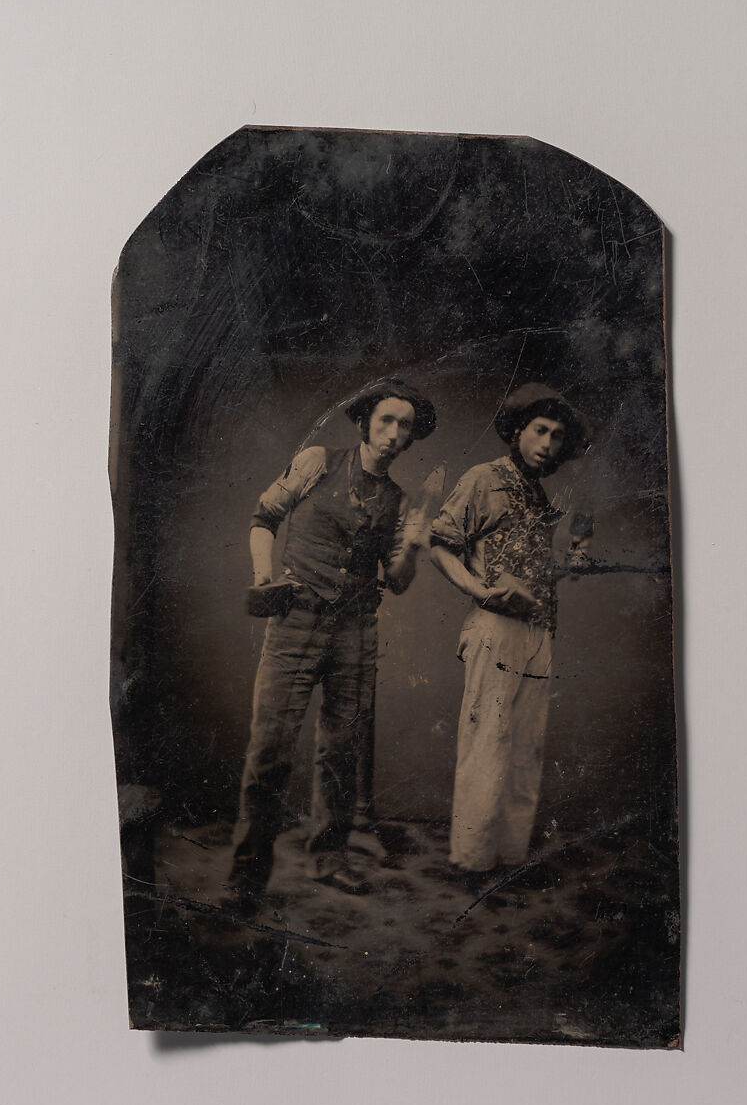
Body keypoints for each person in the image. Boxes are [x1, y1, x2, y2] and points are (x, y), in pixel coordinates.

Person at [225, 377, 438, 910]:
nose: (393, 434)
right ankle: (247, 874)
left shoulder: (398, 499)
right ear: (365, 422)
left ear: (411, 439)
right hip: (296, 618)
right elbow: (263, 518)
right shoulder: (318, 460)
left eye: (404, 426)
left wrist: (413, 546)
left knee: (342, 751)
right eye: (385, 420)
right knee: (270, 749)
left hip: (356, 631)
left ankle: (330, 858)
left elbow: (398, 580)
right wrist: (262, 577)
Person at [429, 383, 593, 891]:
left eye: (557, 436)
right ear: (517, 431)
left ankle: (509, 858)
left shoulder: (542, 495)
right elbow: (440, 544)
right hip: (495, 630)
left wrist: (579, 554)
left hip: (539, 630)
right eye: (539, 430)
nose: (547, 443)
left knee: (526, 750)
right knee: (488, 745)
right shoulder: (484, 478)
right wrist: (481, 592)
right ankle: (473, 864)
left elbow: (541, 568)